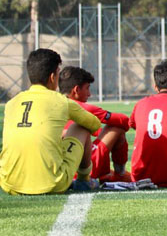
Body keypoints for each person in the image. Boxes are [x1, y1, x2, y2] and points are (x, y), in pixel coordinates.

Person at [0, 49, 102, 195]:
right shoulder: (61, 101)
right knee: (81, 127)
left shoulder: (11, 103)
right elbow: (94, 124)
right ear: (53, 77)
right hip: (52, 184)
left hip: (9, 184)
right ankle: (84, 182)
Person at [59, 66, 132, 182]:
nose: (89, 94)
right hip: (81, 169)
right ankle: (120, 175)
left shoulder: (52, 104)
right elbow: (124, 121)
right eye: (87, 88)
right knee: (116, 128)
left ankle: (106, 174)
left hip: (57, 168)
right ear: (76, 90)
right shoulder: (82, 108)